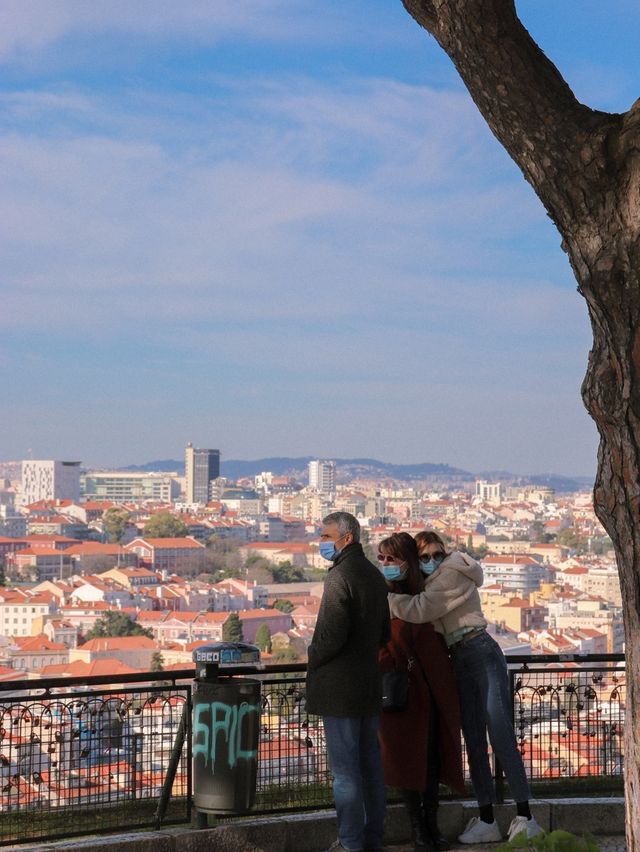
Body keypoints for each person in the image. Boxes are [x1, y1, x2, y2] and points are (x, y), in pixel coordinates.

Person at [388, 531, 542, 845]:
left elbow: (422, 610)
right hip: (459, 657)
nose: (432, 561)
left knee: (500, 735)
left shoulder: (453, 574)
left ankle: (526, 816)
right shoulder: (434, 581)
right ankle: (487, 817)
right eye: (425, 557)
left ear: (445, 555)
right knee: (472, 738)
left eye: (436, 555)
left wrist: (387, 598)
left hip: (479, 651)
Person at [307, 512, 391, 852]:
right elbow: (385, 632)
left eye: (327, 536)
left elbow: (330, 635)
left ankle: (350, 842)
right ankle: (372, 840)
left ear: (348, 538)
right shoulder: (373, 575)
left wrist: (313, 656)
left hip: (340, 688)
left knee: (345, 773)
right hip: (369, 684)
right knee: (370, 767)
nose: (322, 542)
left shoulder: (339, 577)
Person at [377, 533, 464, 850]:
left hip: (429, 693)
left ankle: (430, 825)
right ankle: (419, 830)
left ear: (406, 562)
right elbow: (377, 645)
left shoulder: (422, 596)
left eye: (391, 559)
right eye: (382, 558)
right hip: (402, 695)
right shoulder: (382, 599)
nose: (385, 564)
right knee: (408, 763)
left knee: (429, 761)